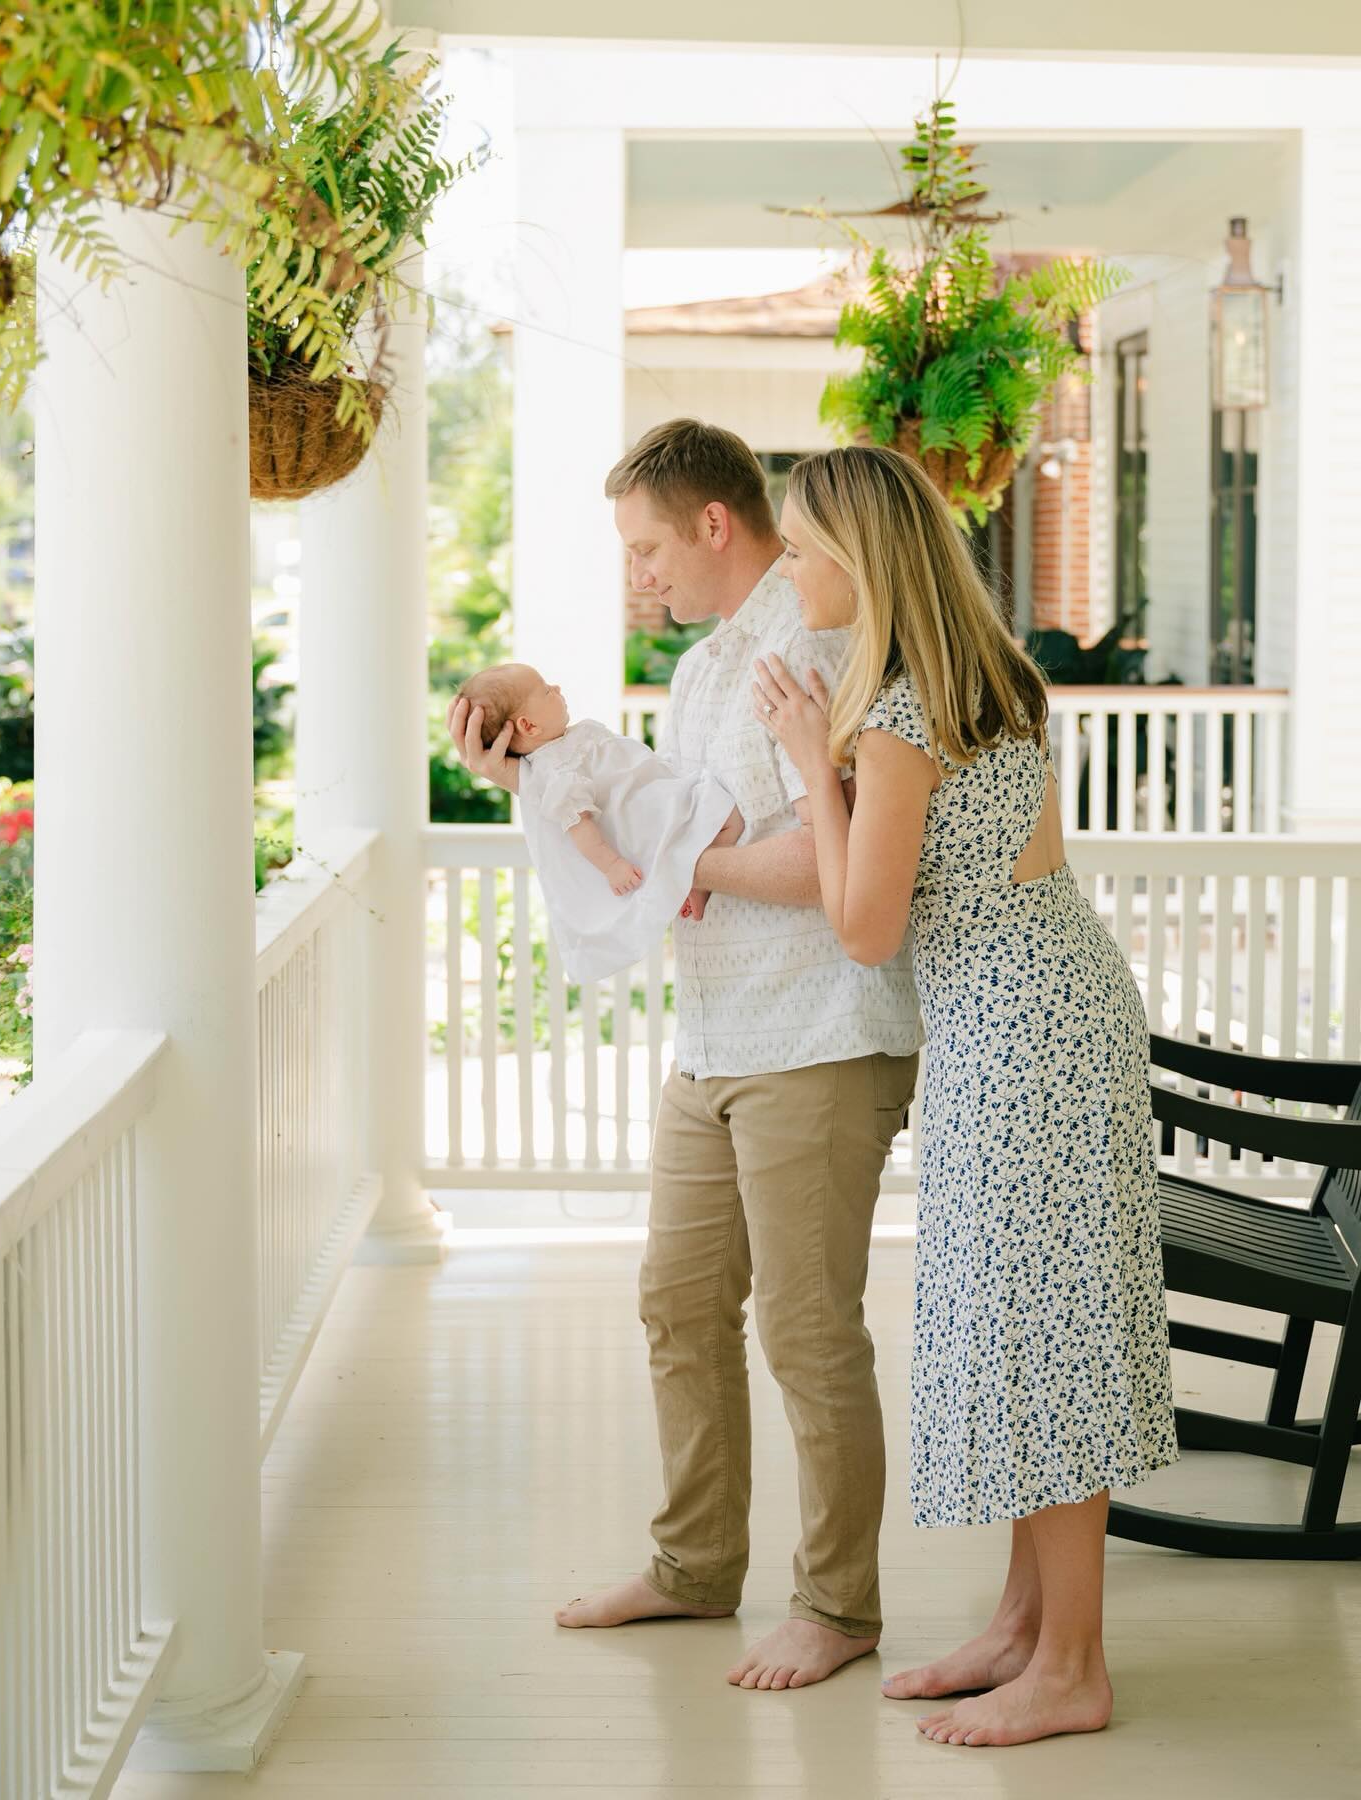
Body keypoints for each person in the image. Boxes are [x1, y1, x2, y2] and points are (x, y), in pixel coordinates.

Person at [447, 419, 922, 1691]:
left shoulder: (815, 637)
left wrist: (672, 868)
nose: (636, 575)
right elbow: (684, 826)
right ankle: (695, 1567)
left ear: (715, 523)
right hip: (716, 1037)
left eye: (648, 546)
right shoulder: (715, 663)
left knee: (809, 1330)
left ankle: (838, 1605)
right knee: (677, 1304)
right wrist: (551, 772)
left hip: (818, 1037)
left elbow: (829, 863)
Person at [753, 443, 1179, 1747]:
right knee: (1025, 1322)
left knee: (1038, 1334)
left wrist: (804, 764)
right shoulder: (971, 675)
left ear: (859, 561)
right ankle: (1022, 1628)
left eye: (801, 547)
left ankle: (1075, 1666)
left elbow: (865, 926)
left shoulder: (889, 717)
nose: (788, 568)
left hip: (1022, 1036)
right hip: (1050, 1008)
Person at [455, 659, 741, 981]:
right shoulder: (553, 772)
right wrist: (611, 865)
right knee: (725, 814)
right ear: (528, 726)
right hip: (648, 812)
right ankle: (696, 887)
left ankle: (694, 885)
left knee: (720, 815)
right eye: (547, 690)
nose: (558, 689)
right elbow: (580, 827)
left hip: (659, 792)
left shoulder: (570, 740)